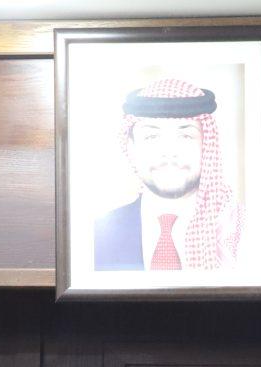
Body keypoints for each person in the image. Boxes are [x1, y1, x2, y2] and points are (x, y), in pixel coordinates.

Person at [94, 77, 243, 272]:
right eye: (152, 136)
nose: (169, 151)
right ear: (131, 148)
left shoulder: (241, 231)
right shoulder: (95, 236)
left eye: (185, 136)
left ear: (206, 145)